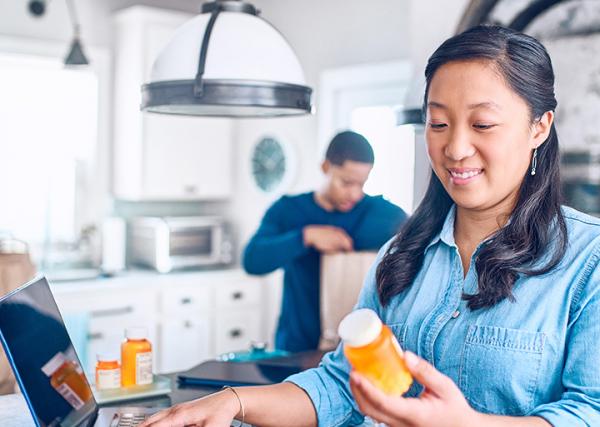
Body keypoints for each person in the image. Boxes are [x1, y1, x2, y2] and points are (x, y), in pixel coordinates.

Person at [141, 25, 600, 427]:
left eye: (482, 124)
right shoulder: (402, 254)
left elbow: (590, 410)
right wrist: (233, 402)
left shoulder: (587, 260)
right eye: (438, 123)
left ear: (539, 127)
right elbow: (341, 385)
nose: (455, 148)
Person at [242, 130, 407, 352]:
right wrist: (306, 236)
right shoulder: (288, 210)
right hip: (296, 347)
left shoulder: (384, 215)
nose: (354, 194)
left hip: (356, 347)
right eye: (347, 183)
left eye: (362, 183)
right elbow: (252, 261)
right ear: (326, 168)